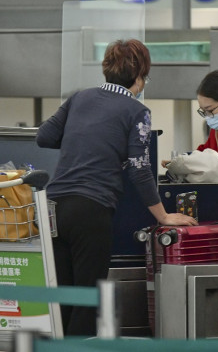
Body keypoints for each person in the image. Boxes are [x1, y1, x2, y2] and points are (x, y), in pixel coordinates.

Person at [36, 38, 198, 337]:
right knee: (87, 300)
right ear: (139, 77)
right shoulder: (137, 111)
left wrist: (84, 142)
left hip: (53, 208)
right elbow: (140, 169)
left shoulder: (78, 98)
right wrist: (163, 216)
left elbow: (44, 137)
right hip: (91, 209)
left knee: (61, 298)